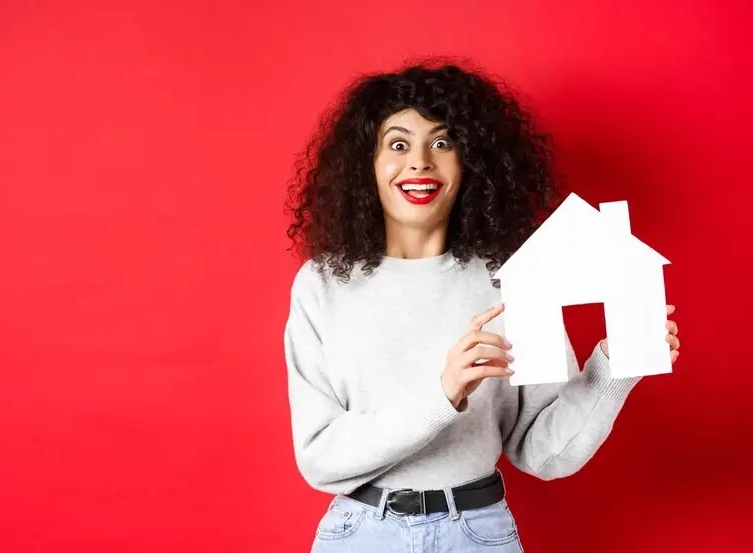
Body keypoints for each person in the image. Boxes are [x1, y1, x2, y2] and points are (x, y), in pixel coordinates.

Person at [281, 61, 681, 552]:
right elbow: (320, 460)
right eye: (399, 144)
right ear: (367, 163)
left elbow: (543, 454)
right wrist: (443, 393)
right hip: (361, 533)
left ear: (471, 162)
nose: (420, 162)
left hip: (476, 534)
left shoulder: (508, 279)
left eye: (443, 143)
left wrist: (613, 369)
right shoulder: (322, 286)